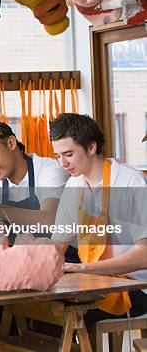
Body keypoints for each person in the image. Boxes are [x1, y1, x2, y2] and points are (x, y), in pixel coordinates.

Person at [50, 113, 147, 325]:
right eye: (58, 156)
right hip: (95, 280)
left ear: (91, 147)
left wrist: (83, 268)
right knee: (39, 312)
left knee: (68, 317)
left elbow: (144, 256)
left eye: (68, 154)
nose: (62, 164)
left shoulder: (130, 182)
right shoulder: (74, 185)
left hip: (135, 286)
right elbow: (57, 245)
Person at [0, 121, 78, 260]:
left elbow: (51, 220)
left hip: (65, 260)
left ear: (11, 143)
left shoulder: (49, 169)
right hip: (23, 261)